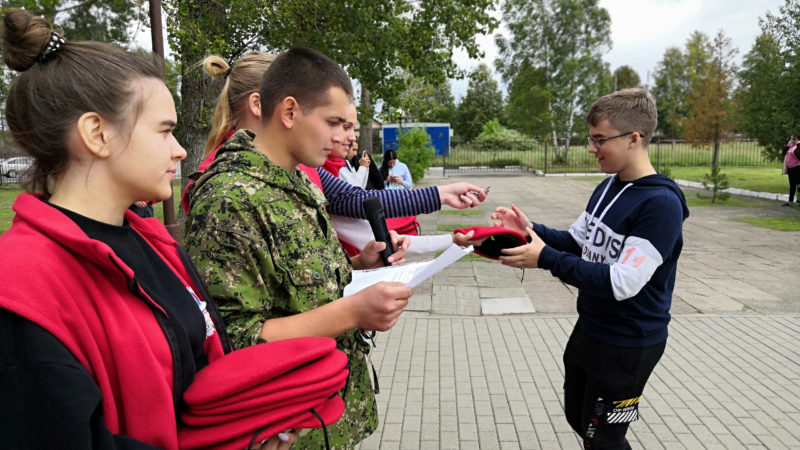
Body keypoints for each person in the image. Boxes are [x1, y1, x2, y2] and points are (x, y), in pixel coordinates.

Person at [0, 9, 296, 449]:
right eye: (164, 131)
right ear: (97, 133)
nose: (179, 150)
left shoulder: (152, 244)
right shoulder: (21, 287)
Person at [182, 47, 415, 449]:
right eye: (333, 122)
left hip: (331, 414)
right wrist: (354, 311)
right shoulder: (229, 199)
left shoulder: (299, 182)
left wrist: (360, 266)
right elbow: (230, 339)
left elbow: (299, 286)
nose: (344, 138)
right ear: (289, 112)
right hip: (285, 429)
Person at [491, 89, 689, 449]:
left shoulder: (660, 204)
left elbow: (621, 282)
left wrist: (545, 259)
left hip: (629, 345)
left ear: (634, 139)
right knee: (579, 419)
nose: (591, 148)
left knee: (603, 437)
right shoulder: (608, 187)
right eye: (591, 138)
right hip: (591, 331)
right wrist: (530, 230)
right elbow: (577, 242)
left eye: (600, 139)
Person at [180, 51, 486, 219]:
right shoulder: (223, 189)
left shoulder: (294, 167)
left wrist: (439, 194)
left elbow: (352, 200)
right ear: (264, 105)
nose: (344, 137)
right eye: (331, 121)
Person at [323, 103, 475, 257]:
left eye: (351, 128)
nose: (352, 138)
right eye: (344, 127)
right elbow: (359, 201)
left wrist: (442, 195)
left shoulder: (333, 168)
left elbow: (356, 197)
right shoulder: (319, 175)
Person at [781, 134, 800, 205]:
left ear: (797, 138)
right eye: (791, 138)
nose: (791, 139)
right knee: (792, 185)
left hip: (797, 168)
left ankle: (798, 201)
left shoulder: (799, 146)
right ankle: (790, 201)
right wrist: (788, 145)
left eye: (793, 138)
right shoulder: (791, 145)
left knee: (798, 185)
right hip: (790, 168)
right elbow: (783, 153)